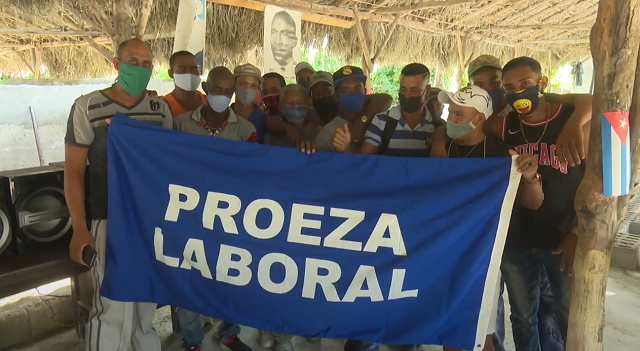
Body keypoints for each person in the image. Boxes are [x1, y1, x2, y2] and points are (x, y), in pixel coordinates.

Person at [64, 38, 173, 351]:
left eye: (147, 63)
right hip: (108, 219)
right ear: (116, 64)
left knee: (144, 308)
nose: (140, 68)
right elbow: (73, 171)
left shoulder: (158, 109)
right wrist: (80, 228)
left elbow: (168, 165)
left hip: (150, 222)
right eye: (133, 62)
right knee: (111, 307)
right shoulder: (87, 106)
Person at [436, 85, 544, 351]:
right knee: (450, 329)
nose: (451, 118)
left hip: (483, 258)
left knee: (479, 334)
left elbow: (534, 202)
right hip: (444, 253)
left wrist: (530, 178)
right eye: (450, 112)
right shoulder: (442, 148)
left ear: (479, 118)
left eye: (459, 114)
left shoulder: (502, 155)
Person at [499, 57, 588, 351]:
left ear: (542, 84)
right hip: (517, 239)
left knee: (569, 316)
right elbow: (470, 125)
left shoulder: (571, 120)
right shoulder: (505, 125)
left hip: (562, 239)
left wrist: (578, 231)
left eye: (525, 84)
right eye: (509, 87)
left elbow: (596, 187)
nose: (517, 93)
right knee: (523, 317)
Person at [173, 67, 257, 351]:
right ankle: (192, 340)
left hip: (230, 219)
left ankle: (230, 332)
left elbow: (253, 175)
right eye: (216, 90)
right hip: (189, 215)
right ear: (206, 89)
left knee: (231, 278)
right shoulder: (181, 124)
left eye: (227, 91)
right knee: (186, 278)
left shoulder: (246, 131)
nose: (221, 95)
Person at [332, 63, 443, 157]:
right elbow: (363, 159)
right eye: (403, 89)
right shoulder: (382, 121)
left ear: (427, 91)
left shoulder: (437, 126)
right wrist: (345, 148)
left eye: (414, 90)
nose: (407, 95)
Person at [300, 65, 392, 154]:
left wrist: (362, 121)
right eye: (345, 90)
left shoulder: (378, 118)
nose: (352, 94)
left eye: (357, 89)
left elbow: (386, 98)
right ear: (336, 95)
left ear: (364, 91)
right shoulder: (327, 134)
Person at [162, 51, 205, 117]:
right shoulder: (164, 106)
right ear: (171, 73)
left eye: (193, 69)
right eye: (182, 69)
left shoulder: (207, 101)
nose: (189, 73)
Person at [232, 64, 268, 143]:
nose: (248, 89)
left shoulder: (265, 121)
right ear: (233, 85)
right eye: (242, 83)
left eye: (253, 85)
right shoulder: (223, 116)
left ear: (258, 89)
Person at [266, 11, 298, 76]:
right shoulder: (268, 71)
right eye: (273, 32)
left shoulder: (297, 72)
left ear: (295, 41)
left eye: (284, 34)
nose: (277, 41)